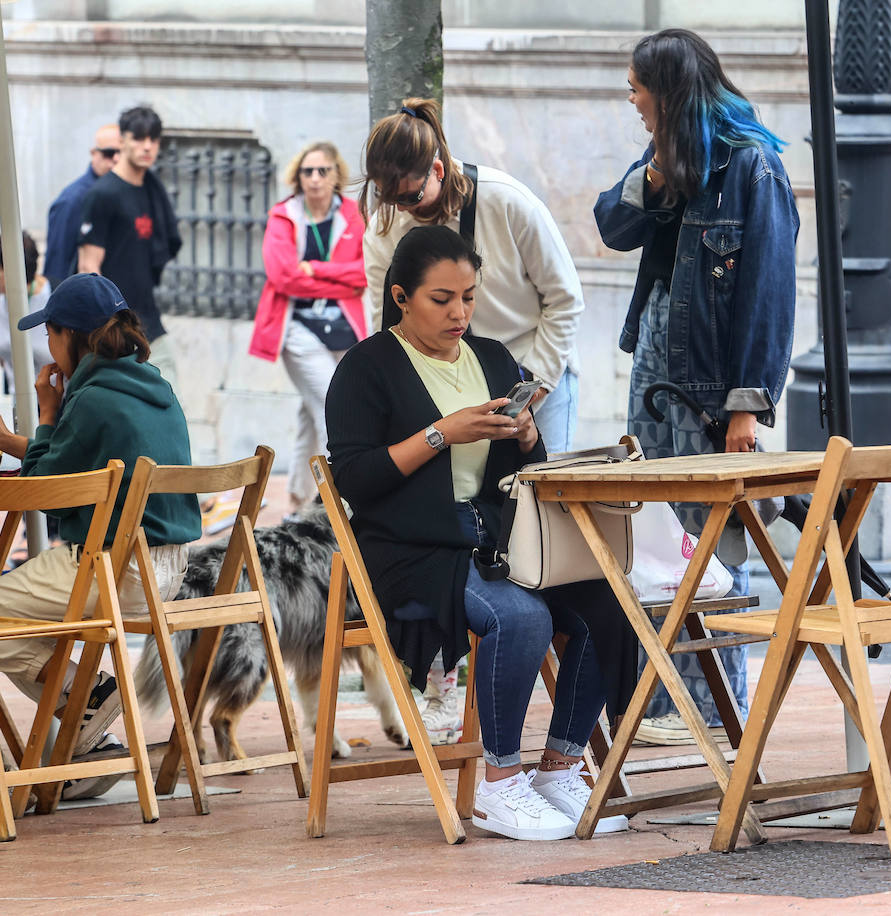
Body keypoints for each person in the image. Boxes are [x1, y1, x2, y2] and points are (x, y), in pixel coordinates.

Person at [325, 225, 636, 841]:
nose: (459, 312)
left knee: (614, 606)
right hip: (412, 548)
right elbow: (356, 479)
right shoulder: (367, 368)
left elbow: (525, 473)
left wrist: (525, 437)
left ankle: (560, 766)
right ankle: (499, 782)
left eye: (468, 296)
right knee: (521, 618)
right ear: (400, 297)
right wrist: (444, 432)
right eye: (442, 299)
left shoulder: (493, 358)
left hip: (501, 539)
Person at [594, 29, 798, 747]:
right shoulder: (669, 165)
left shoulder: (754, 169)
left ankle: (718, 706)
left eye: (637, 86)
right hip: (653, 383)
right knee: (653, 538)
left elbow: (769, 297)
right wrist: (651, 179)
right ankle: (662, 704)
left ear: (668, 90)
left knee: (711, 545)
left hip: (711, 397)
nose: (632, 100)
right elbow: (610, 227)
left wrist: (747, 404)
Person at [0, 272, 200, 798]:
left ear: (70, 335)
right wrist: (16, 442)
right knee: (17, 620)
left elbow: (45, 492)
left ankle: (84, 691)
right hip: (165, 570)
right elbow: (79, 468)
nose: (47, 345)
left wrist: (47, 414)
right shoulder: (153, 386)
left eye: (49, 333)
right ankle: (86, 744)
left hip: (111, 566)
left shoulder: (88, 399)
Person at [360, 98, 585, 457]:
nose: (398, 208)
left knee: (545, 501)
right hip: (454, 392)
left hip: (536, 368)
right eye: (385, 196)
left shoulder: (507, 201)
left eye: (409, 196)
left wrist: (534, 385)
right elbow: (384, 322)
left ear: (437, 169)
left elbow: (565, 298)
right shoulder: (385, 228)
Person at [248, 141, 367, 519]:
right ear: (297, 177)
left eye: (323, 171)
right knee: (333, 407)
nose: (315, 179)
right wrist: (340, 282)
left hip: (346, 328)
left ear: (336, 176)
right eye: (307, 172)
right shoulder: (284, 215)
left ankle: (298, 501)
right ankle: (342, 505)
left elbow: (365, 272)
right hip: (296, 327)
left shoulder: (352, 214)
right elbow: (283, 277)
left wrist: (316, 270)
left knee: (309, 413)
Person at [77, 106, 182, 388]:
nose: (147, 146)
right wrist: (108, 331)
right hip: (116, 331)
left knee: (170, 401)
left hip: (148, 321)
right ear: (122, 140)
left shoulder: (151, 189)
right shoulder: (103, 194)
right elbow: (89, 267)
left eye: (153, 139)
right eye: (138, 138)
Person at [0, 231, 54, 395]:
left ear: (15, 273)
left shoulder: (56, 296)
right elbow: (1, 354)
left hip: (60, 401)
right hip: (20, 399)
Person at [43, 123, 121, 288]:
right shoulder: (72, 200)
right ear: (94, 154)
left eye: (122, 153)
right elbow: (58, 266)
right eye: (109, 153)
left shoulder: (121, 193)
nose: (116, 159)